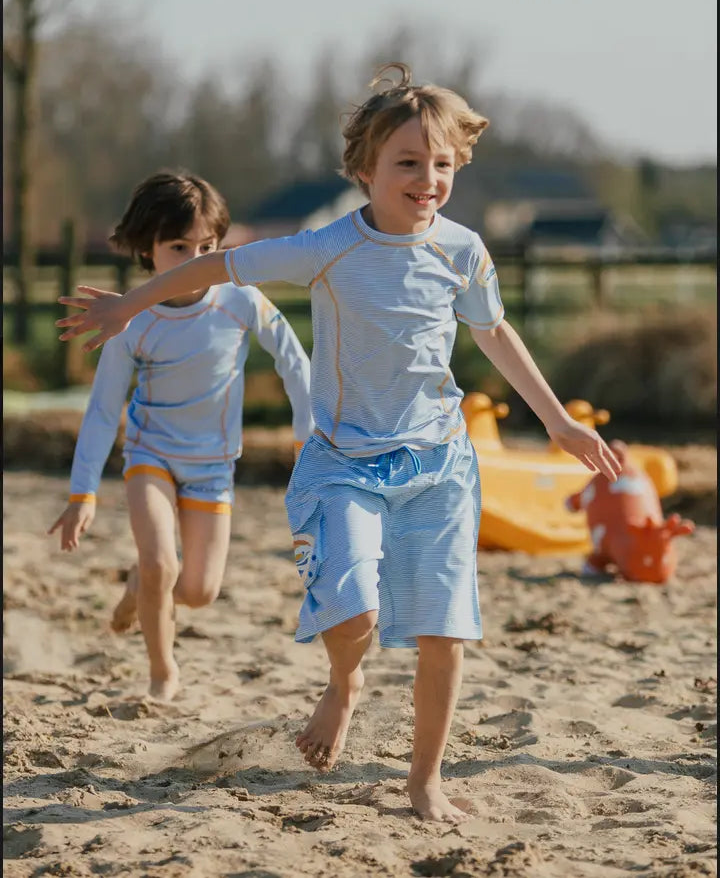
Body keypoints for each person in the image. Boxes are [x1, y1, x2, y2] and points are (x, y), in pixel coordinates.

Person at [56, 66, 621, 821]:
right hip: (346, 466)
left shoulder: (464, 251)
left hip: (440, 467)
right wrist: (130, 305)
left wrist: (556, 420)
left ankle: (424, 780)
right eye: (408, 163)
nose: (427, 180)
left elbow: (492, 331)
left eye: (442, 164)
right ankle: (344, 682)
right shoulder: (328, 247)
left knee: (443, 632)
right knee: (352, 616)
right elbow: (218, 265)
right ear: (365, 171)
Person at [49, 170, 313, 702]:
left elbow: (294, 359)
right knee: (162, 565)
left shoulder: (239, 301)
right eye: (179, 246)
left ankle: (137, 585)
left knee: (196, 591)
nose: (196, 259)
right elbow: (103, 411)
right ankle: (162, 671)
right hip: (151, 458)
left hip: (213, 466)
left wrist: (306, 434)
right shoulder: (131, 318)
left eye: (207, 247)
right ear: (148, 248)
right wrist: (83, 494)